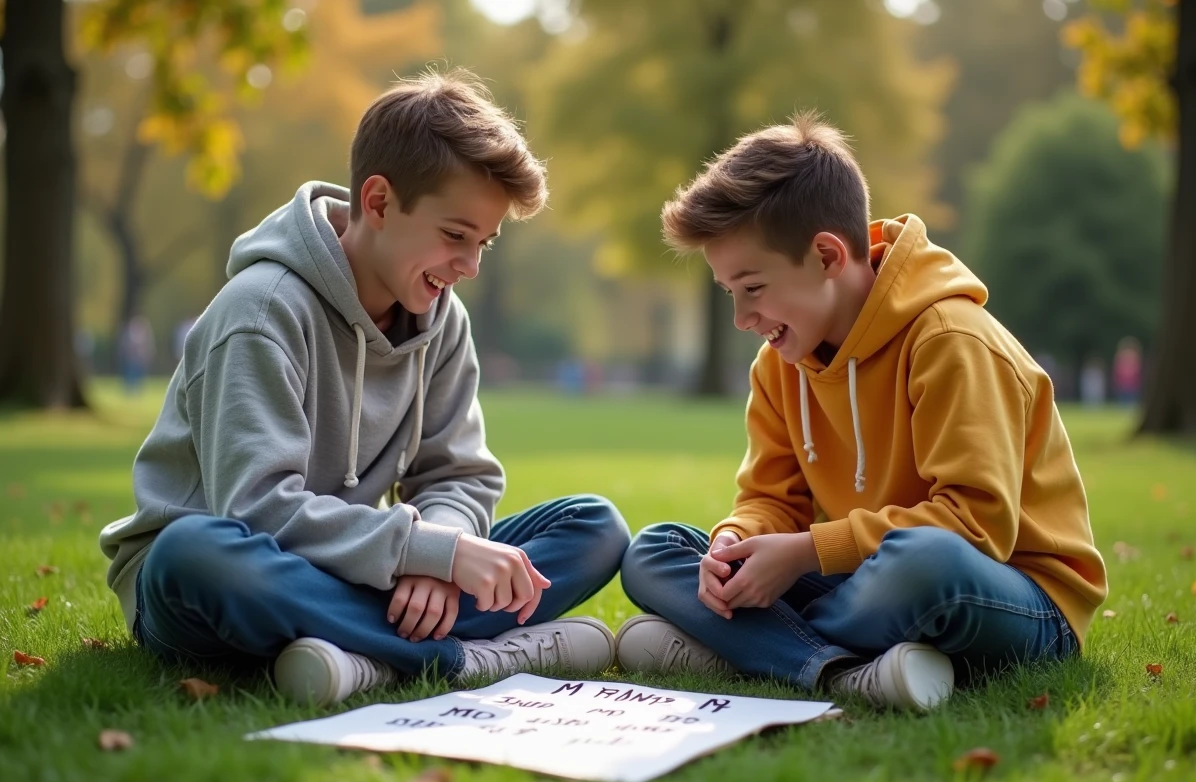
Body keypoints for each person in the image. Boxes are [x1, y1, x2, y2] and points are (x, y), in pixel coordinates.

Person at [100, 69, 629, 707]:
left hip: (351, 569)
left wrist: (440, 550)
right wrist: (429, 553)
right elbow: (258, 510)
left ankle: (354, 650)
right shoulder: (261, 311)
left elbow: (457, 475)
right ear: (378, 202)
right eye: (455, 236)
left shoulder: (443, 320)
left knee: (593, 525)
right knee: (192, 554)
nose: (470, 266)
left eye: (484, 242)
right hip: (229, 576)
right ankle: (465, 656)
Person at [616, 112, 1107, 711]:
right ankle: (841, 669)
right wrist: (734, 545)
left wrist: (804, 552)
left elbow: (976, 527)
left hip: (1010, 595)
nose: (743, 318)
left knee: (923, 563)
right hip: (862, 581)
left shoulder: (951, 340)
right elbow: (773, 501)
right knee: (654, 552)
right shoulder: (780, 362)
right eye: (729, 293)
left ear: (826, 256)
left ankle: (743, 646)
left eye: (753, 287)